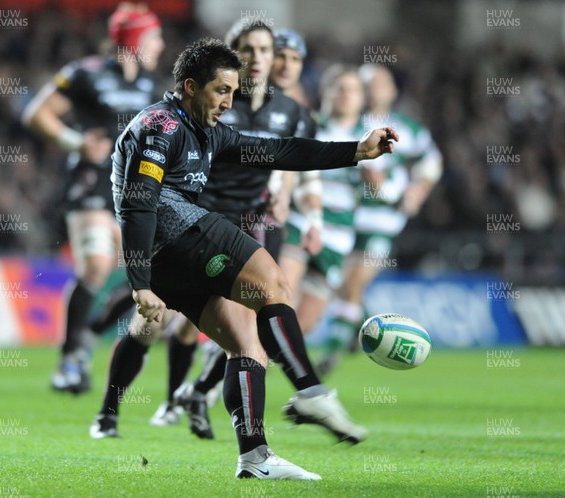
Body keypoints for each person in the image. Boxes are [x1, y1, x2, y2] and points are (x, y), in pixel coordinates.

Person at [89, 37, 398, 480]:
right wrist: (139, 283)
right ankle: (310, 390)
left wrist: (355, 151)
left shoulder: (209, 132)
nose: (229, 102)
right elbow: (138, 203)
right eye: (221, 91)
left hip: (170, 261)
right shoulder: (162, 127)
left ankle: (254, 455)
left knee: (247, 347)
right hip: (177, 234)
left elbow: (279, 152)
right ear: (190, 86)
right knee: (274, 284)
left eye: (234, 92)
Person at [150, 19, 321, 440]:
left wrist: (292, 197)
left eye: (287, 57)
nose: (275, 62)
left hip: (254, 221)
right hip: (200, 220)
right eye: (263, 52)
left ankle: (211, 407)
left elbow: (288, 157)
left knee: (248, 326)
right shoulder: (219, 103)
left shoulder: (293, 112)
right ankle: (179, 395)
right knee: (196, 325)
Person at [22, 3, 165, 393]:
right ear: (135, 40)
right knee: (98, 264)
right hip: (92, 184)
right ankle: (69, 361)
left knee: (155, 275)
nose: (161, 43)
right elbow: (37, 113)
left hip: (135, 191)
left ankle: (89, 336)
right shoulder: (86, 73)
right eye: (153, 36)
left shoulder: (152, 86)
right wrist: (75, 142)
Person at [318, 63, 442, 373]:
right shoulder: (346, 123)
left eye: (381, 84)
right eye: (367, 85)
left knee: (352, 284)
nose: (374, 90)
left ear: (393, 90)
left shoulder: (407, 129)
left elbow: (431, 161)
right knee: (337, 284)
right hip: (342, 218)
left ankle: (329, 357)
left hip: (383, 222)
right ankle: (361, 325)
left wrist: (416, 193)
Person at [279, 64, 366, 352]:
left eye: (352, 90)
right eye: (338, 88)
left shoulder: (371, 137)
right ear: (325, 92)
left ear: (361, 98)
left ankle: (246, 365)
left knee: (303, 326)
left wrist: (378, 183)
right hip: (299, 222)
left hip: (338, 237)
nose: (345, 95)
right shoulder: (308, 125)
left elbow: (392, 189)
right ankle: (234, 369)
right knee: (279, 302)